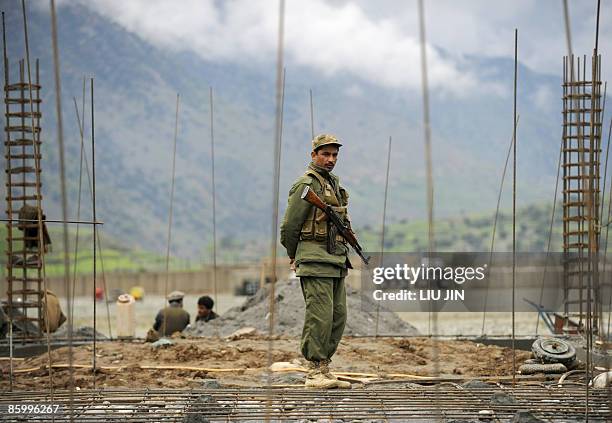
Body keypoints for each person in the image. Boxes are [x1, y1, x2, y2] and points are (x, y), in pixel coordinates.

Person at [280, 134, 352, 389]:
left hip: (335, 259)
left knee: (338, 316)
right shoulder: (305, 185)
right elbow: (290, 225)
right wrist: (293, 254)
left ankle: (325, 367)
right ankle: (314, 371)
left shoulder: (334, 185)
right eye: (325, 154)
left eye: (334, 155)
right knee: (319, 316)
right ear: (314, 155)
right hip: (313, 258)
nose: (331, 159)